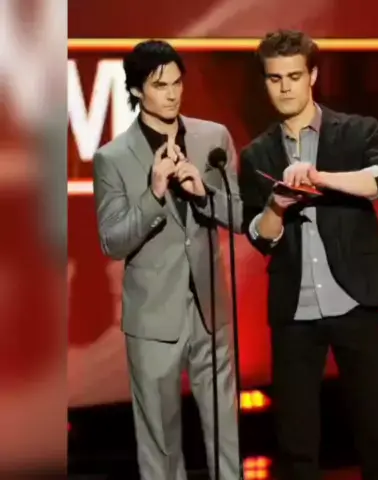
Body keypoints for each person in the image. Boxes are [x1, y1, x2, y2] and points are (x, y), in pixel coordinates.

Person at [238, 30, 378, 480]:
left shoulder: (355, 130)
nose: (285, 88)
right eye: (274, 78)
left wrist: (320, 178)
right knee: (296, 446)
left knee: (376, 435)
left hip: (355, 302)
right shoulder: (256, 154)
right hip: (294, 312)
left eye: (294, 76)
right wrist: (277, 205)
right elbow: (260, 237)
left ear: (312, 75)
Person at [93, 39, 242, 480]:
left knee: (226, 433)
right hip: (153, 317)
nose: (173, 94)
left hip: (210, 309)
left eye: (177, 83)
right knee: (160, 440)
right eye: (160, 86)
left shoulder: (213, 138)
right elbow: (112, 241)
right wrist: (154, 194)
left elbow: (240, 216)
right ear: (136, 90)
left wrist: (204, 194)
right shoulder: (112, 158)